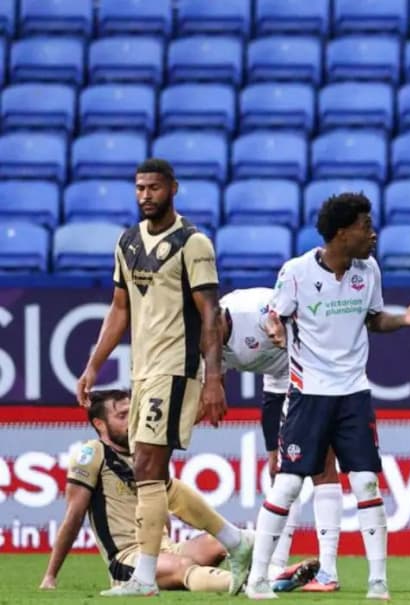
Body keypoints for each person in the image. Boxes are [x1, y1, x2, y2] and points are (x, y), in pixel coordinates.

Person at [244, 192, 410, 600]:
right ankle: (258, 579)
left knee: (366, 483)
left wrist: (405, 319)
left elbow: (374, 319)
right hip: (308, 394)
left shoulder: (368, 270)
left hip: (353, 394)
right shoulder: (296, 272)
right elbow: (273, 314)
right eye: (366, 226)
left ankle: (378, 582)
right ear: (341, 232)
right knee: (288, 485)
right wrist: (275, 327)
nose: (373, 234)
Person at [76, 158, 254, 597]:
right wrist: (94, 364)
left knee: (147, 468)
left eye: (154, 187)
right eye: (140, 188)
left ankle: (144, 578)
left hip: (177, 369)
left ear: (173, 189)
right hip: (143, 371)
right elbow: (120, 308)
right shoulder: (128, 242)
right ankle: (236, 541)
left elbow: (209, 313)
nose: (146, 195)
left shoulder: (193, 243)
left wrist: (214, 379)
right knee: (152, 472)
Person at [40, 390, 236, 594]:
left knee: (224, 541)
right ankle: (246, 584)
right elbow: (73, 516)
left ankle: (257, 576)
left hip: (165, 550)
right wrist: (50, 575)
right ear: (100, 424)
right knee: (182, 566)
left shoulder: (145, 454)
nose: (132, 421)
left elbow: (160, 505)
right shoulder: (93, 453)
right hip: (129, 558)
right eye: (122, 416)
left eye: (133, 413)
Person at [219, 287, 335, 592]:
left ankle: (328, 570)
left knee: (322, 466)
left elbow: (303, 319)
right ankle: (275, 566)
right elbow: (213, 387)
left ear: (219, 317)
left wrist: (278, 324)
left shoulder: (254, 310)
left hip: (315, 371)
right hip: (277, 382)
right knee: (281, 471)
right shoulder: (204, 342)